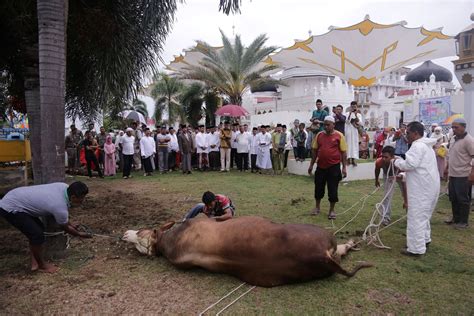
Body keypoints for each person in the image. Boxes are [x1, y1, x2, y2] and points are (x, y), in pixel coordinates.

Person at [0, 182, 93, 273]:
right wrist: (79, 234)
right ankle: (42, 265)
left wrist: (71, 225)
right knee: (37, 235)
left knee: (38, 229)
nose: (82, 200)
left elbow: (64, 220)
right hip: (11, 207)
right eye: (81, 198)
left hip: (17, 196)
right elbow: (64, 226)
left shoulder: (63, 186)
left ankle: (35, 261)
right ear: (73, 197)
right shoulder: (59, 206)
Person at [393, 121, 440, 256]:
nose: (405, 135)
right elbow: (420, 167)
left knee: (416, 217)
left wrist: (395, 161)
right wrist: (403, 175)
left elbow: (410, 165)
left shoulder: (418, 146)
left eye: (407, 133)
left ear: (415, 133)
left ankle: (416, 249)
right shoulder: (426, 146)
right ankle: (424, 240)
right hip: (429, 186)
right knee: (423, 216)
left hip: (422, 189)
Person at [308, 116, 347, 219]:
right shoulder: (319, 135)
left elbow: (343, 153)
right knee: (318, 188)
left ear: (333, 125)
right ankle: (317, 208)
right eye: (324, 124)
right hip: (321, 166)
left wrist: (344, 167)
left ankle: (332, 210)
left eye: (328, 124)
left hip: (334, 167)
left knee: (333, 189)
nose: (325, 126)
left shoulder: (339, 136)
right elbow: (314, 151)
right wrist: (311, 165)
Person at [444, 118, 474, 229]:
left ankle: (463, 221)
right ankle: (455, 218)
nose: (453, 129)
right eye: (452, 127)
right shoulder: (453, 139)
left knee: (463, 198)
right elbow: (451, 155)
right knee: (453, 197)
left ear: (463, 127)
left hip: (464, 174)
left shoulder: (469, 140)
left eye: (456, 127)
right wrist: (447, 168)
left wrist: (472, 173)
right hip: (453, 173)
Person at [375, 146, 407, 226]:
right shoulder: (379, 161)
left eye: (386, 157)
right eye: (382, 156)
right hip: (388, 175)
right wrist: (376, 179)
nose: (384, 159)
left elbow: (405, 181)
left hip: (400, 175)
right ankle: (385, 218)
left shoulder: (400, 163)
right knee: (386, 196)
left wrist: (406, 200)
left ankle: (410, 216)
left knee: (408, 196)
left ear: (393, 157)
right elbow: (377, 169)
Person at [345, 101, 362, 166]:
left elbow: (360, 123)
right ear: (350, 106)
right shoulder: (347, 114)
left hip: (355, 132)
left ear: (356, 107)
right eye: (352, 106)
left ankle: (354, 159)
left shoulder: (359, 114)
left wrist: (355, 115)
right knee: (348, 145)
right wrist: (350, 114)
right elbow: (347, 121)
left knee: (354, 145)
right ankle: (348, 159)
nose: (353, 108)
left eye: (355, 106)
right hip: (348, 131)